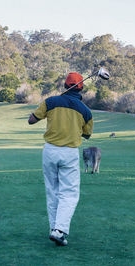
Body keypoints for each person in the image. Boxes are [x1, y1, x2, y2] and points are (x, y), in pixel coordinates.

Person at [28, 72, 93, 246]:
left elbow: (31, 120)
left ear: (65, 85)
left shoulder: (50, 102)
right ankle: (59, 230)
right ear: (82, 87)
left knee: (52, 191)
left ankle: (55, 230)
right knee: (69, 194)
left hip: (49, 151)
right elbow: (87, 135)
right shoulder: (85, 110)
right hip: (69, 152)